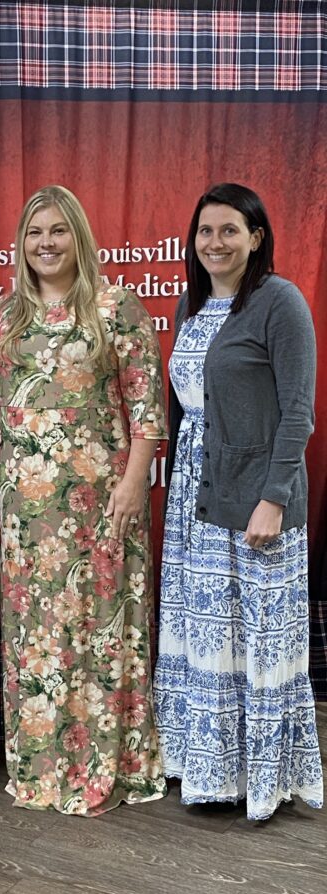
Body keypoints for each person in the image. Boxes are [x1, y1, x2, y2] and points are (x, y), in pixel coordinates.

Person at [0, 185, 167, 816]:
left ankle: (113, 761)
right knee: (38, 634)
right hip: (28, 513)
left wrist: (134, 483)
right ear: (20, 244)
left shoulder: (117, 309)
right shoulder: (0, 318)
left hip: (105, 501)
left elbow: (147, 411)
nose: (45, 244)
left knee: (104, 627)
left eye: (57, 231)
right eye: (34, 233)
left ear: (79, 237)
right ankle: (43, 769)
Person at [152, 183, 323, 820]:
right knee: (206, 633)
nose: (214, 243)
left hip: (256, 498)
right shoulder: (189, 305)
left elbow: (298, 413)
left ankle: (261, 775)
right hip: (196, 498)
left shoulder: (280, 302)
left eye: (229, 231)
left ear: (256, 237)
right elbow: (185, 403)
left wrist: (274, 499)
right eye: (204, 232)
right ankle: (206, 769)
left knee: (259, 635)